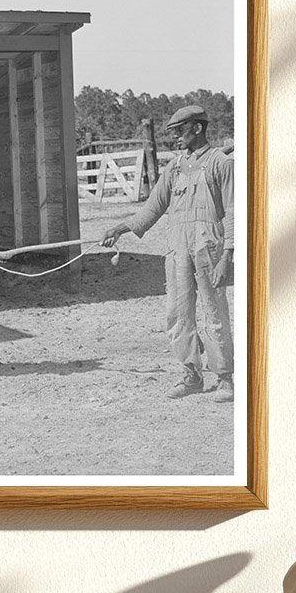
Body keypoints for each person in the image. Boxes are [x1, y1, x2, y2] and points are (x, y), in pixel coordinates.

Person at [102, 105, 235, 402]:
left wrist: (227, 255)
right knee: (177, 314)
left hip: (209, 248)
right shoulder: (173, 168)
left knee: (214, 313)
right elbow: (152, 208)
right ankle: (191, 375)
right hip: (177, 250)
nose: (175, 137)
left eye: (179, 131)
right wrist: (119, 229)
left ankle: (225, 378)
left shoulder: (220, 164)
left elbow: (234, 213)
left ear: (197, 128)